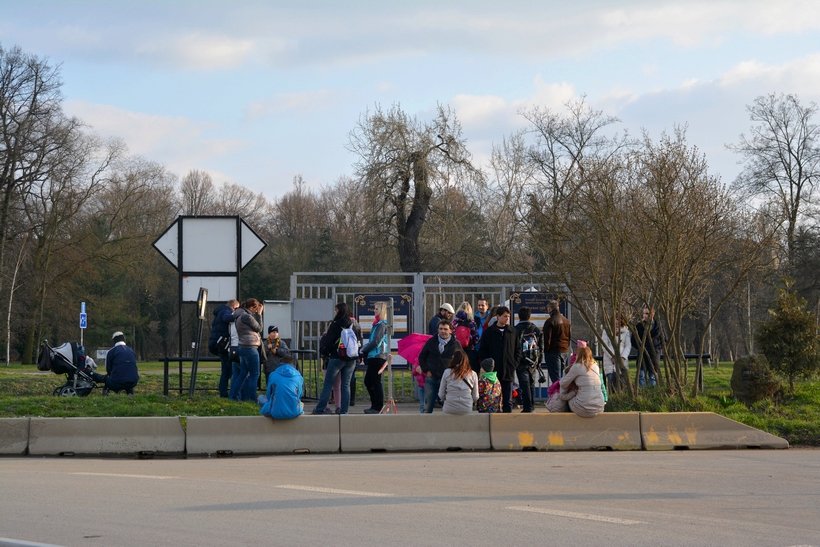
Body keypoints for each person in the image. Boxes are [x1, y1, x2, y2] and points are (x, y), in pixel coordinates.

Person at [314, 302, 358, 415]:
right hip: (350, 358)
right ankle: (344, 410)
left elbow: (328, 342)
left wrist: (325, 351)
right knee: (346, 385)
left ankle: (320, 408)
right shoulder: (352, 324)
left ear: (339, 311)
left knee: (328, 384)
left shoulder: (335, 324)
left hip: (336, 357)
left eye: (336, 310)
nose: (334, 312)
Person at [478, 306, 521, 413]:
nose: (507, 318)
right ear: (498, 317)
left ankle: (506, 423)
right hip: (493, 372)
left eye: (508, 316)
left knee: (508, 400)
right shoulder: (489, 332)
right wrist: (487, 366)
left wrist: (514, 364)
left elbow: (518, 350)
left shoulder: (512, 332)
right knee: (493, 398)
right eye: (504, 316)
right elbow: (483, 350)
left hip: (508, 370)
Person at [547, 345, 605, 417]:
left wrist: (572, 393)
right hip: (599, 407)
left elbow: (563, 383)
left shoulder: (577, 366)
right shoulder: (595, 366)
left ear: (579, 355)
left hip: (583, 408)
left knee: (568, 400)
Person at [418, 319, 462, 413]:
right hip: (432, 377)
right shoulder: (431, 341)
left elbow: (462, 360)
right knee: (428, 405)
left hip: (448, 379)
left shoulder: (456, 344)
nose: (443, 331)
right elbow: (422, 357)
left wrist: (455, 372)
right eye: (440, 329)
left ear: (450, 330)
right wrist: (426, 370)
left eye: (445, 329)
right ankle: (425, 424)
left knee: (448, 405)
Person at [358, 301, 390, 414]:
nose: (374, 311)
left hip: (378, 356)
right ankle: (375, 405)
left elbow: (376, 341)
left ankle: (377, 406)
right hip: (374, 355)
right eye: (374, 308)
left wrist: (363, 349)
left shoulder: (382, 324)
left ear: (382, 310)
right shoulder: (377, 324)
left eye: (377, 309)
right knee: (370, 381)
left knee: (374, 381)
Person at [230, 298, 264, 401]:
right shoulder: (246, 316)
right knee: (254, 374)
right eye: (256, 308)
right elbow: (259, 328)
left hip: (242, 347)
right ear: (253, 307)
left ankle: (234, 397)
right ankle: (252, 399)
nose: (256, 311)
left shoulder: (238, 315)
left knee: (243, 373)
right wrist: (259, 314)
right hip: (250, 348)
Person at [514, 306, 542, 413]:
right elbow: (541, 346)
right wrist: (539, 360)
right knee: (531, 382)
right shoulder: (535, 329)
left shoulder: (515, 330)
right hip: (533, 360)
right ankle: (532, 405)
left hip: (520, 360)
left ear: (519, 316)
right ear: (529, 316)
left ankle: (527, 406)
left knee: (524, 383)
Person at [208, 299, 239, 398]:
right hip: (223, 345)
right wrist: (239, 315)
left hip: (217, 343)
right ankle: (224, 393)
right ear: (233, 306)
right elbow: (227, 318)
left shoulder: (219, 312)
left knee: (226, 369)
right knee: (227, 370)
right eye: (237, 308)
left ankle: (224, 392)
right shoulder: (226, 311)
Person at [438, 351, 478, 415]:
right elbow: (476, 396)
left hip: (449, 408)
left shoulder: (447, 372)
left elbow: (441, 394)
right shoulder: (473, 374)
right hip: (466, 408)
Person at [543, 299, 571, 383]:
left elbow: (547, 339)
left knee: (555, 378)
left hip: (553, 351)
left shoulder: (550, 321)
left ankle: (557, 395)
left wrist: (546, 351)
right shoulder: (566, 321)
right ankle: (561, 393)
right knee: (561, 376)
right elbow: (569, 337)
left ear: (550, 309)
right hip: (564, 350)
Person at [632, 306, 661, 387]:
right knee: (641, 376)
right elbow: (633, 340)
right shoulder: (638, 326)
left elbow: (663, 340)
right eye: (644, 313)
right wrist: (641, 348)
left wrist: (656, 349)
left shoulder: (658, 326)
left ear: (653, 314)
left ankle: (653, 396)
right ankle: (642, 396)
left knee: (653, 377)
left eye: (647, 313)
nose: (645, 315)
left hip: (653, 356)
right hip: (642, 356)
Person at [601, 316, 631, 392]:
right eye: (616, 319)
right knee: (611, 386)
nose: (617, 322)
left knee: (622, 385)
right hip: (610, 361)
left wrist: (623, 358)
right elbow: (604, 345)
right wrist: (612, 357)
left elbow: (628, 345)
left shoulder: (626, 331)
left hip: (622, 362)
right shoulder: (606, 331)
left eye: (619, 319)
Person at [452, 301, 479, 371]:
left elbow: (451, 334)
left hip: (456, 349)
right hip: (469, 350)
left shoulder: (455, 322)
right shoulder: (471, 322)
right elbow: (476, 337)